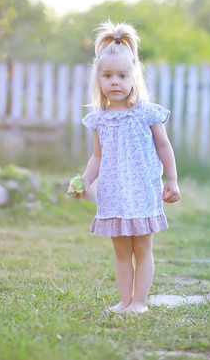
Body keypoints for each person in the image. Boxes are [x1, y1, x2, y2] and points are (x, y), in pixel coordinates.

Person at [68, 20, 181, 314]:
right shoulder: (98, 119)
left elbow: (164, 146)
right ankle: (124, 301)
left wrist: (173, 180)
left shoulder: (146, 113)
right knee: (121, 252)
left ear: (134, 78)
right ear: (99, 81)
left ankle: (140, 302)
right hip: (114, 194)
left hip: (142, 190)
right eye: (107, 76)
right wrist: (84, 180)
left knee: (142, 249)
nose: (114, 81)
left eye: (121, 75)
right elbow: (97, 157)